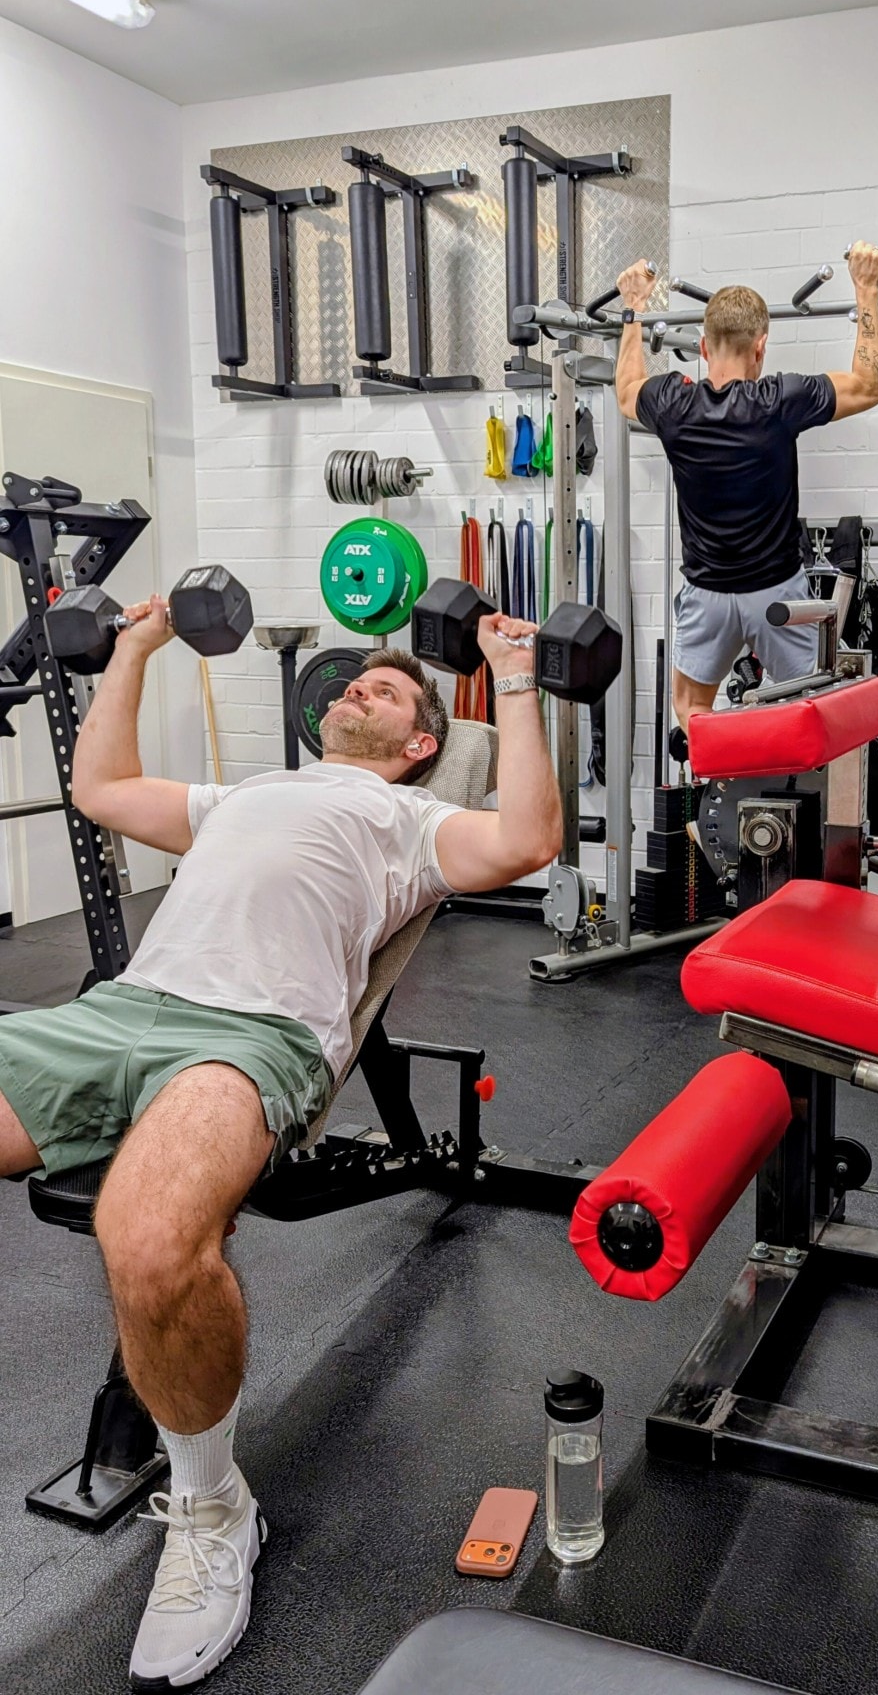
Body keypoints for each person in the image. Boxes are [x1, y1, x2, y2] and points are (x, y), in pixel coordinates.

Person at [0, 595, 561, 1690]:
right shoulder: (247, 792)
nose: (356, 686)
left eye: (387, 691)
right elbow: (100, 787)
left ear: (419, 745)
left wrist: (520, 677)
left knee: (151, 1240)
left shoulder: (407, 821)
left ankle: (211, 1506)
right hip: (117, 1012)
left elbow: (527, 838)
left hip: (248, 1035)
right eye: (352, 682)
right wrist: (136, 649)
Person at [615, 240, 878, 733]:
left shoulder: (673, 405)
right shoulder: (780, 399)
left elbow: (626, 390)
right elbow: (867, 385)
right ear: (760, 346)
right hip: (777, 596)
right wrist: (866, 289)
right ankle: (780, 797)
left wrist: (632, 309)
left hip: (707, 596)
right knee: (808, 711)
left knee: (693, 710)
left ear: (702, 348)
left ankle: (720, 798)